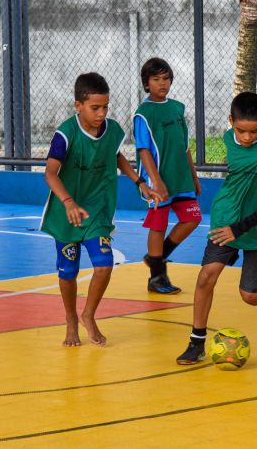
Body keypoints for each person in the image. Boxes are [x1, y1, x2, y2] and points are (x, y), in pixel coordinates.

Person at [176, 92, 257, 365]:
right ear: (231, 121)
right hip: (227, 218)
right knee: (206, 277)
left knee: (250, 294)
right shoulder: (229, 138)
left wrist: (240, 228)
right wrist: (232, 223)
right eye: (241, 131)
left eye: (254, 132)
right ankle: (196, 341)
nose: (246, 138)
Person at [40, 72, 161, 347]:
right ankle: (71, 320)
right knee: (68, 272)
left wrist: (140, 182)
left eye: (106, 107)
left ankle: (88, 315)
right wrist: (69, 202)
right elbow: (50, 173)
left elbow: (116, 156)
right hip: (67, 213)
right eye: (95, 107)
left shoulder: (112, 130)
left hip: (97, 209)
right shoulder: (65, 134)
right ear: (78, 105)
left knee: (104, 266)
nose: (102, 113)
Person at [134, 58, 202, 294]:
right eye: (156, 79)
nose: (162, 83)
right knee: (159, 226)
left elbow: (185, 146)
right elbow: (143, 151)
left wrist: (194, 176)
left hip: (181, 177)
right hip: (157, 181)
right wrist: (157, 180)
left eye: (166, 78)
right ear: (146, 83)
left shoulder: (177, 108)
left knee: (193, 218)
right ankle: (156, 277)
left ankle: (156, 257)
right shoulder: (143, 114)